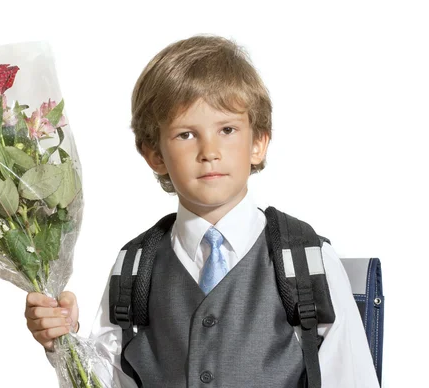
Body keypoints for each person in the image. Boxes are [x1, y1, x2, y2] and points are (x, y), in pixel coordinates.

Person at [25, 34, 380, 387]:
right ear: (155, 154)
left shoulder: (306, 262)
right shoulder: (134, 268)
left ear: (258, 143)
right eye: (186, 134)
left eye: (227, 129)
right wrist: (65, 339)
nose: (209, 150)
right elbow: (110, 381)